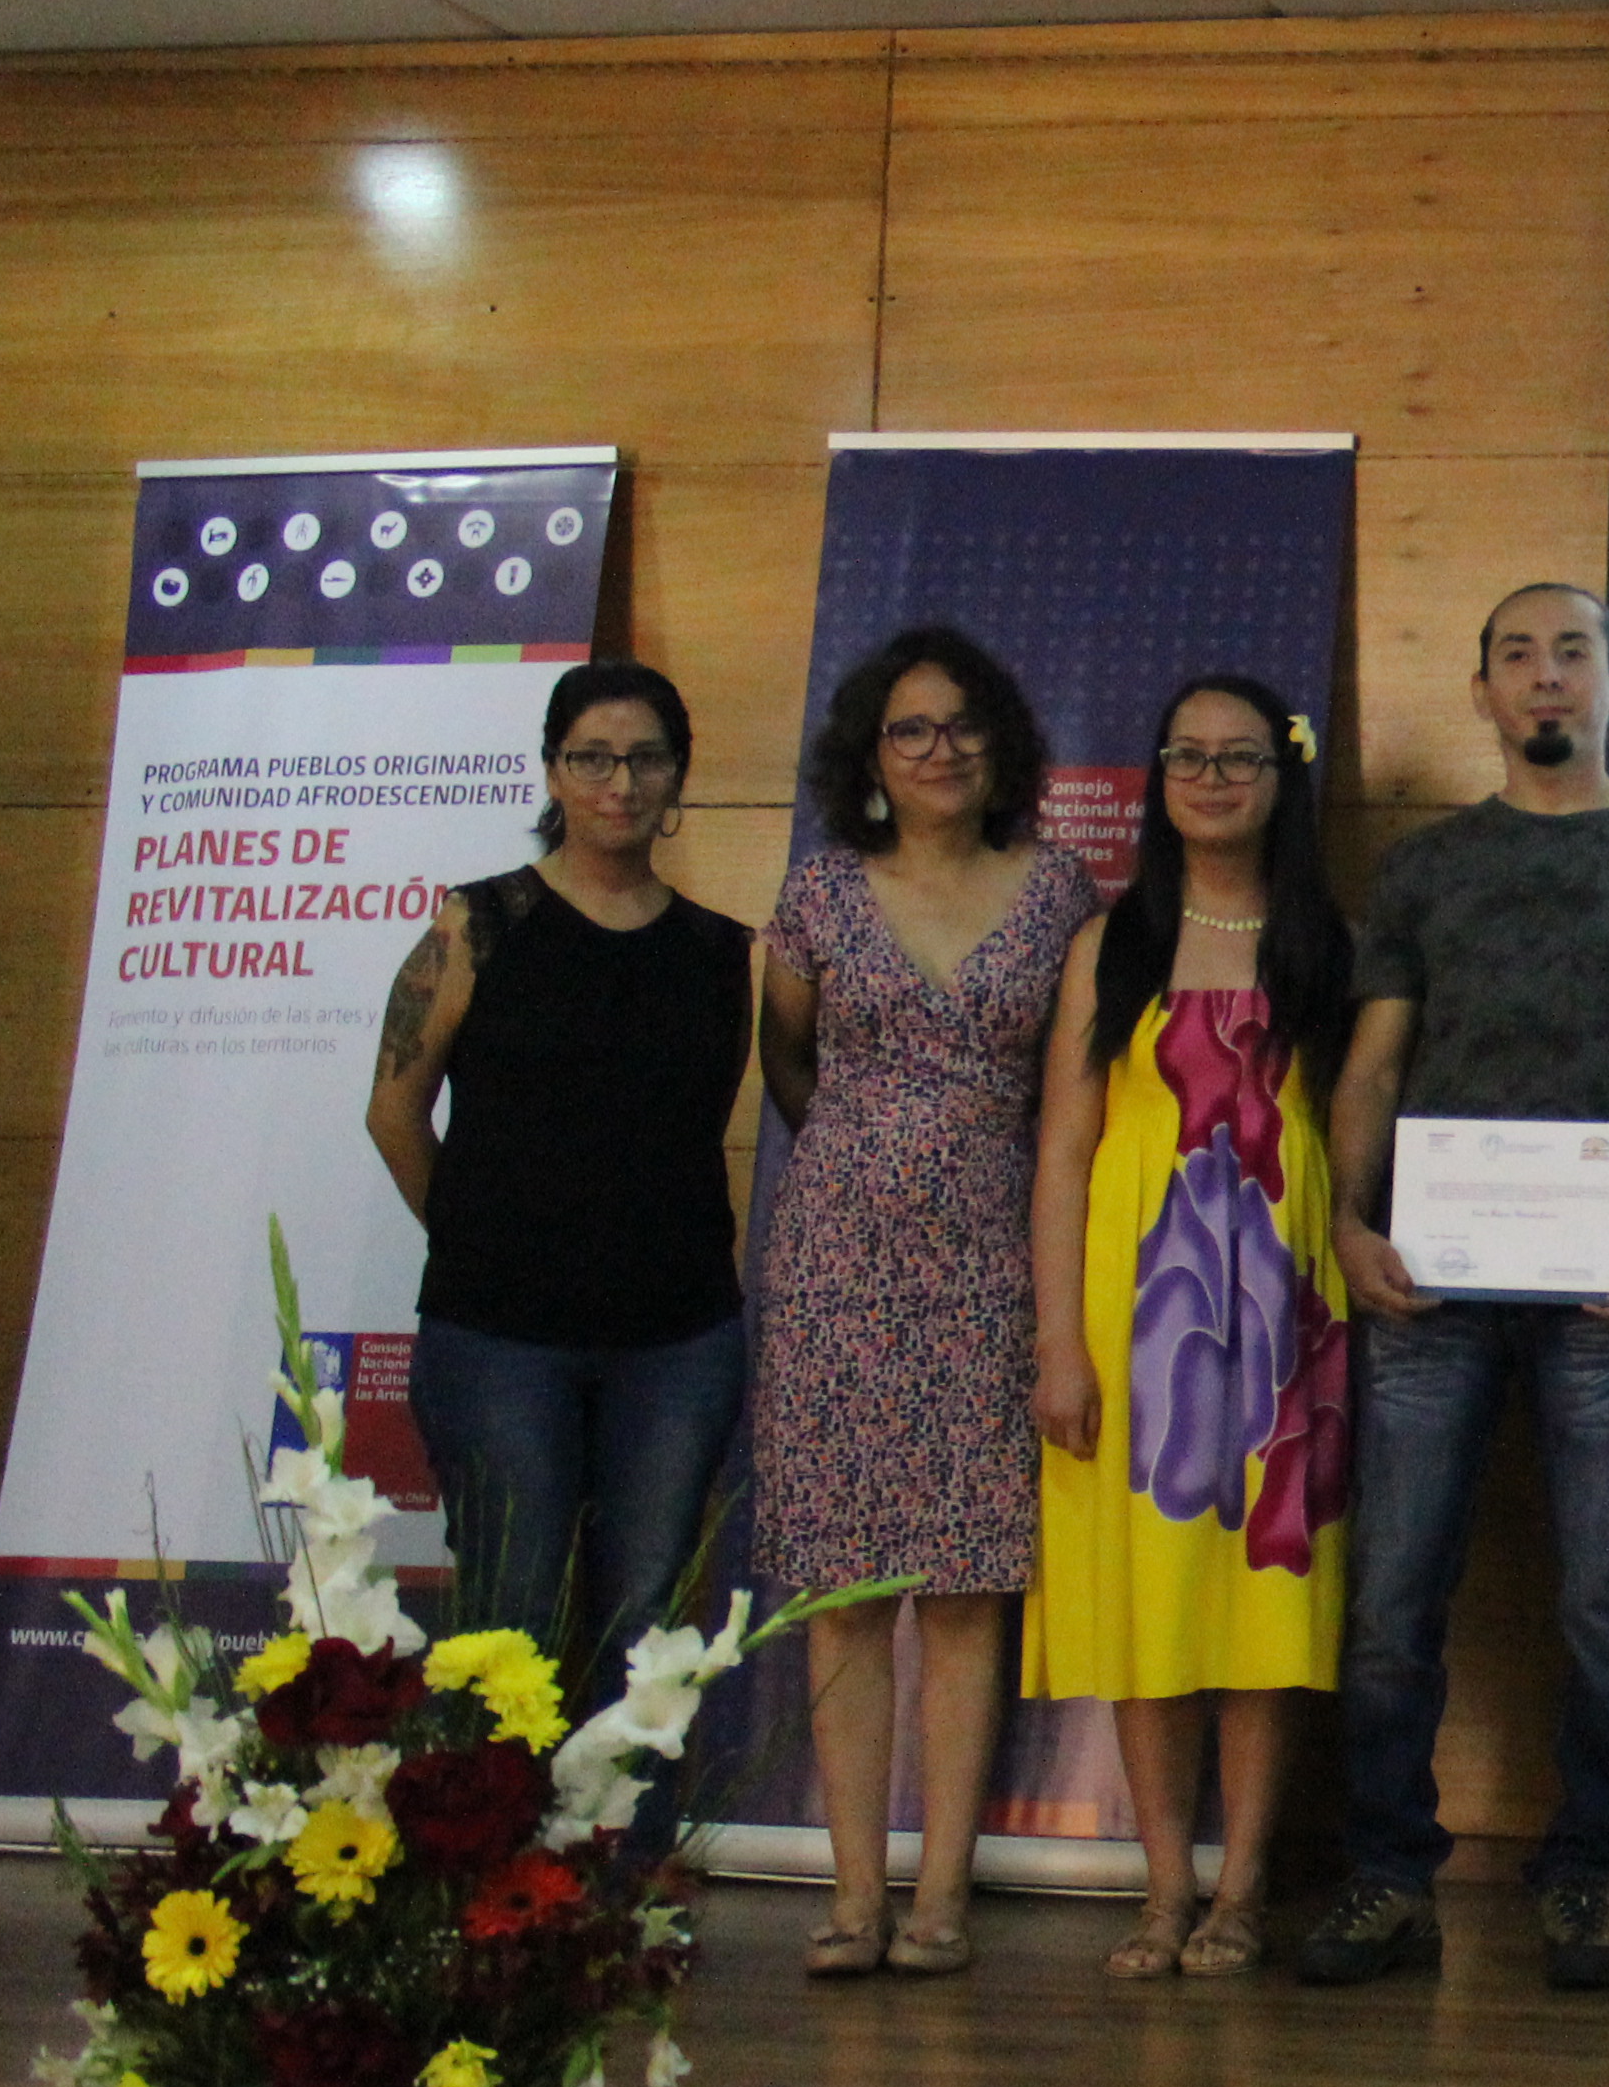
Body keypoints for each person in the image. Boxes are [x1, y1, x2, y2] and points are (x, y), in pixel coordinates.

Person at [1303, 582, 1609, 1994]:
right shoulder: (1426, 870)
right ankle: (1389, 1877)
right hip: (1427, 1287)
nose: (1547, 676)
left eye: (1575, 653)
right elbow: (1374, 1065)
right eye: (1518, 654)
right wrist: (1347, 1222)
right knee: (1390, 1598)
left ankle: (1582, 1873)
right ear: (1483, 691)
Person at [754, 625, 1096, 1979]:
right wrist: (870, 1165)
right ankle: (855, 1899)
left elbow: (1075, 1089)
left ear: (999, 748)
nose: (939, 748)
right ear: (871, 757)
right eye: (910, 728)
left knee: (964, 1592)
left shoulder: (1060, 892)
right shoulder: (821, 892)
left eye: (961, 725)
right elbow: (787, 1059)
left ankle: (943, 1895)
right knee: (844, 1594)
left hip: (992, 1270)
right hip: (833, 1271)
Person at [364, 659, 752, 1851]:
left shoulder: (721, 951)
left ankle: (626, 1888)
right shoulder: (477, 923)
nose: (618, 782)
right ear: (551, 771)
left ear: (677, 777)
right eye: (591, 757)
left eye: (644, 759)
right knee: (510, 1622)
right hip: (499, 1338)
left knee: (647, 1632)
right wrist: (479, 1238)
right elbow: (393, 1110)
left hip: (677, 1342)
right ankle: (490, 1888)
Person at [1027, 676, 1353, 1984]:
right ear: (1158, 778)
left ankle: (1245, 1889)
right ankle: (1166, 1890)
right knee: (1145, 1605)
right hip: (1138, 1311)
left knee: (1264, 1603)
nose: (1213, 779)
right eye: (1189, 757)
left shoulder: (1329, 944)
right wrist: (1060, 1342)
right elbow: (1062, 1152)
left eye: (1240, 758)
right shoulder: (1108, 947)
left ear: (1284, 779)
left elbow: (1358, 1135)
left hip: (1286, 1314)